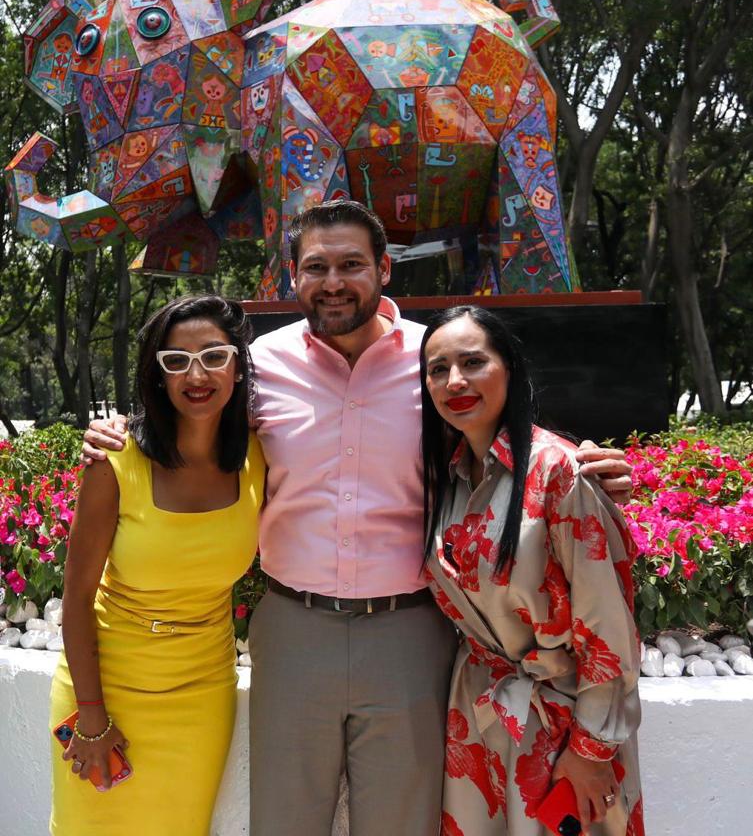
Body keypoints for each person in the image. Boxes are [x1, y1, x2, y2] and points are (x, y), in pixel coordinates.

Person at [83, 201, 634, 836]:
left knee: (401, 824)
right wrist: (119, 427)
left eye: (351, 264)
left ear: (385, 270)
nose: (334, 281)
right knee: (284, 823)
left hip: (410, 633)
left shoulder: (434, 361)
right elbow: (190, 422)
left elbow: (500, 438)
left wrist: (589, 465)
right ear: (293, 277)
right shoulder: (260, 366)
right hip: (293, 632)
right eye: (316, 266)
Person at [420, 304, 643, 836]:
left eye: (473, 362)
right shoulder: (446, 476)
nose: (455, 381)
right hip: (480, 715)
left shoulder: (558, 471)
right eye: (437, 369)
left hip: (568, 723)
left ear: (510, 370)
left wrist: (591, 751)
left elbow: (607, 624)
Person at [52, 295, 264, 836]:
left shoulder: (260, 457)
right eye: (176, 361)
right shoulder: (115, 461)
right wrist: (93, 716)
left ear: (238, 366)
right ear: (158, 375)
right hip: (107, 689)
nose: (197, 374)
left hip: (201, 693)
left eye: (214, 356)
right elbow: (75, 597)